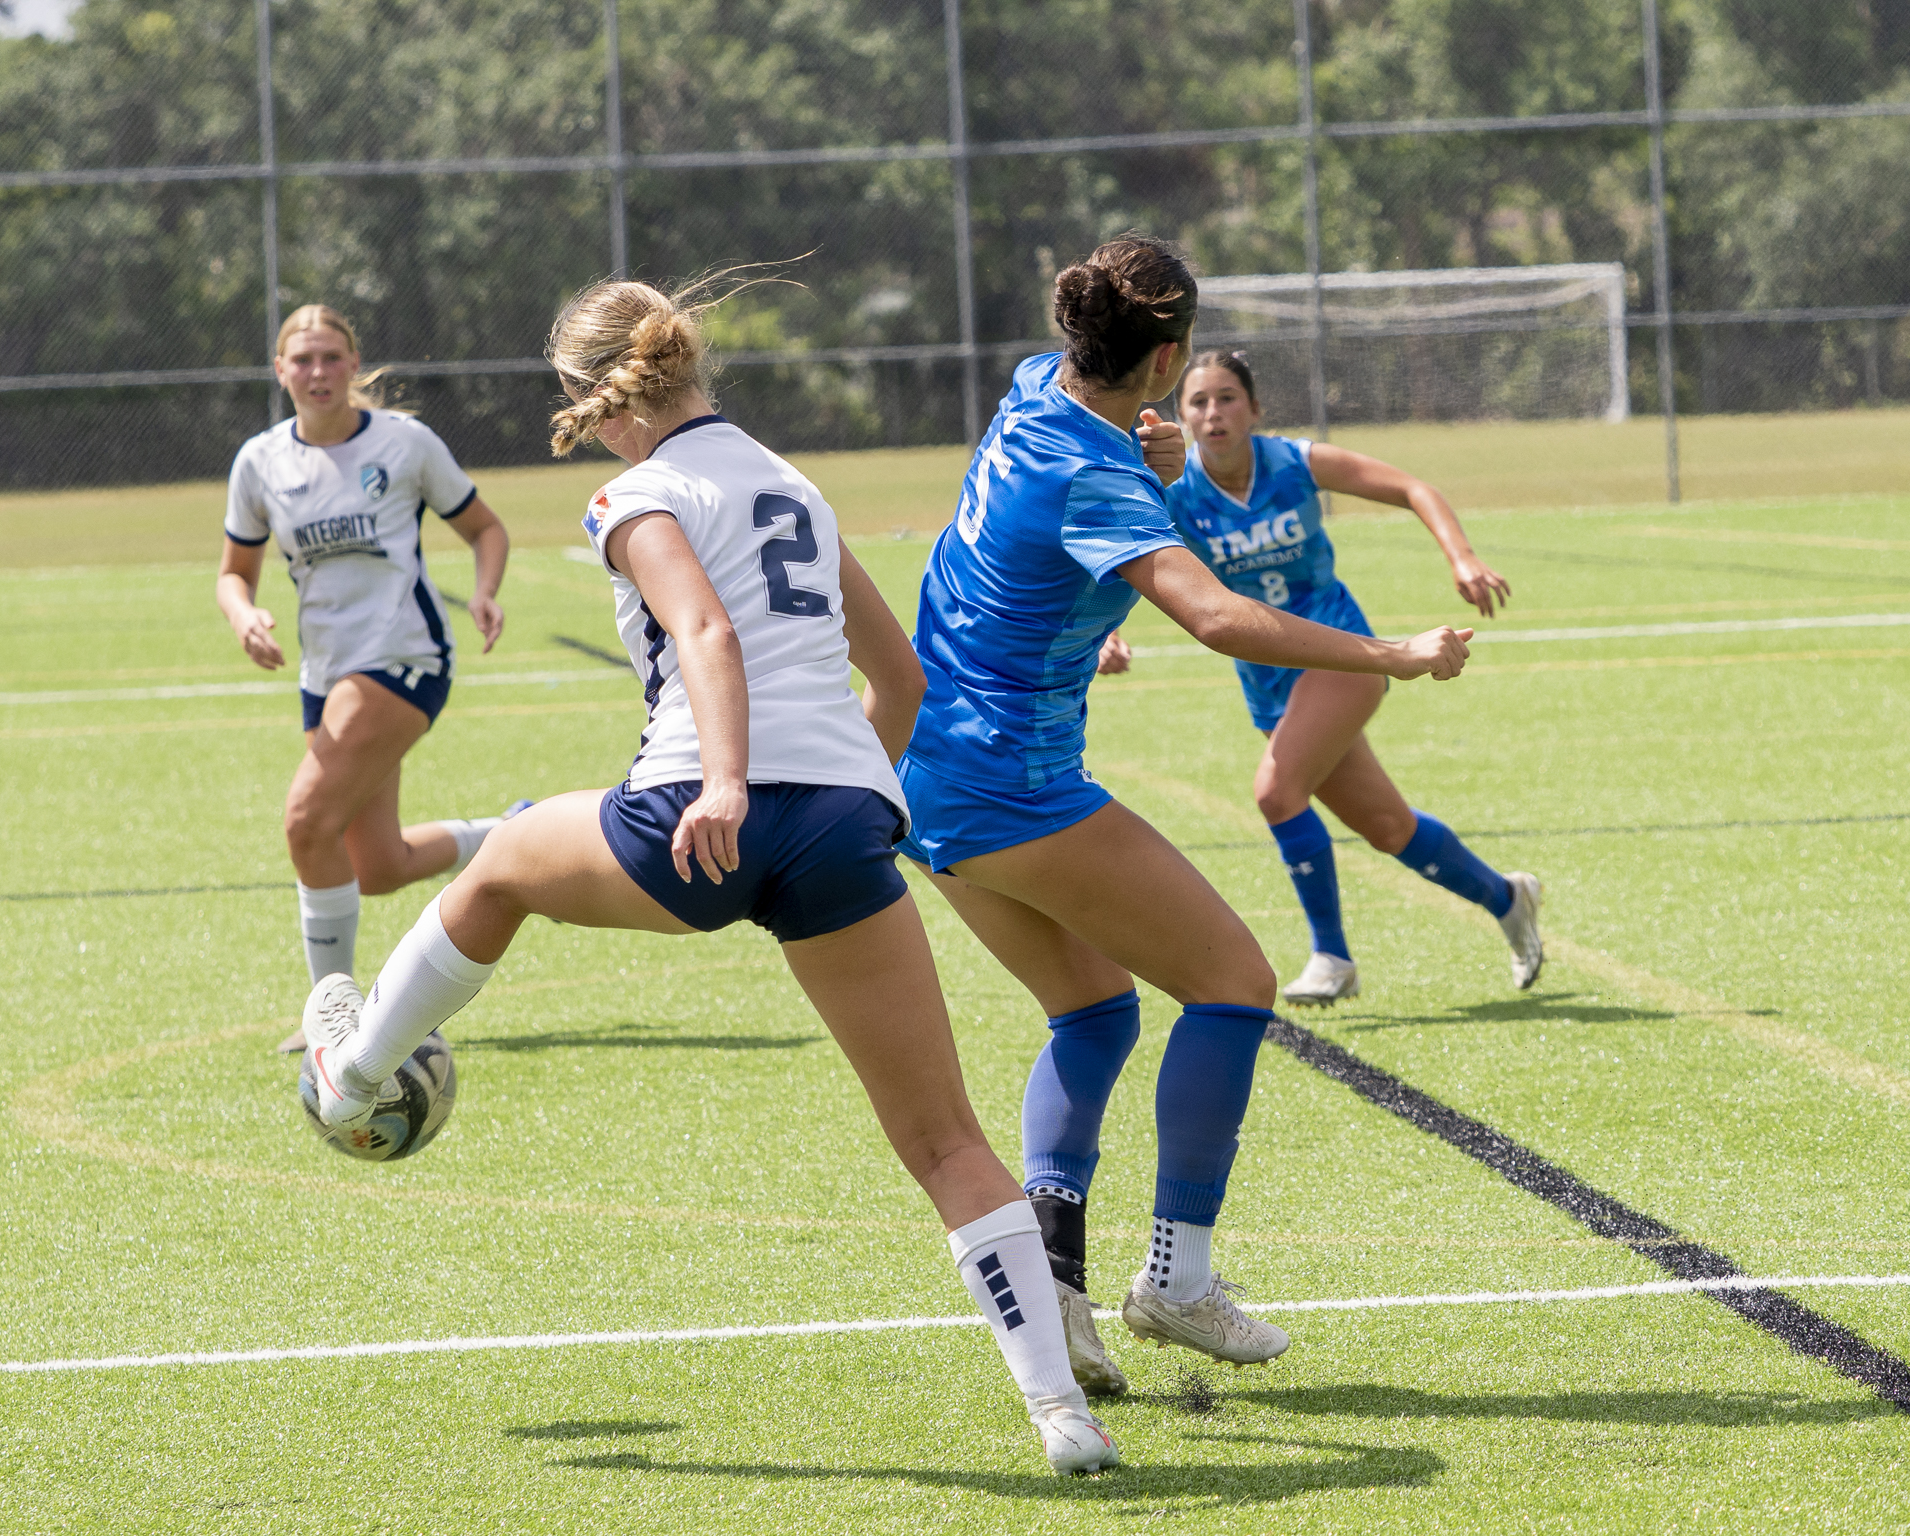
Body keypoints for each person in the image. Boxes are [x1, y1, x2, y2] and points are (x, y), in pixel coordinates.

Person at [299, 277, 1123, 1475]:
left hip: (699, 812)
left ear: (592, 398)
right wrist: (845, 788)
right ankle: (1061, 1413)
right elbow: (900, 684)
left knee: (502, 869)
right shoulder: (791, 480)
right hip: (842, 825)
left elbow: (705, 634)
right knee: (944, 1141)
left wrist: (729, 784)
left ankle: (350, 1074)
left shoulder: (633, 494)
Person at [894, 236, 1474, 1396]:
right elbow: (1211, 615)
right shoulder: (1100, 474)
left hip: (921, 773)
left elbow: (1082, 507)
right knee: (1230, 980)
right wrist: (1388, 654)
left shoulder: (1028, 388)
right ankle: (1177, 1278)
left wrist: (1147, 455)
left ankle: (1056, 1282)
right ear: (1169, 357)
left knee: (1095, 1009)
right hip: (1011, 780)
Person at [1098, 349, 1542, 1007]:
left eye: (1226, 398)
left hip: (1345, 652)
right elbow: (1123, 554)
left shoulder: (1294, 464)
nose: (1213, 413)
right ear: (1181, 416)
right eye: (1198, 402)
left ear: (1254, 409)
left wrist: (1463, 556)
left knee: (1277, 791)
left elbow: (1413, 488)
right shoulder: (1176, 490)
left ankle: (1331, 957)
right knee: (1389, 828)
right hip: (1268, 674)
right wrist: (1105, 628)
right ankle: (1508, 898)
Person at [216, 303, 518, 1050]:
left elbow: (485, 527)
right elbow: (232, 574)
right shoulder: (261, 462)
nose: (318, 372)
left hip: (404, 657)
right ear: (280, 371)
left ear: (354, 366)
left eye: (331, 358)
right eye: (303, 360)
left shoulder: (404, 443)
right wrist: (243, 615)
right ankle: (513, 836)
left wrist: (484, 591)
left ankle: (333, 1012)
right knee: (375, 866)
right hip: (323, 672)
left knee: (305, 821)